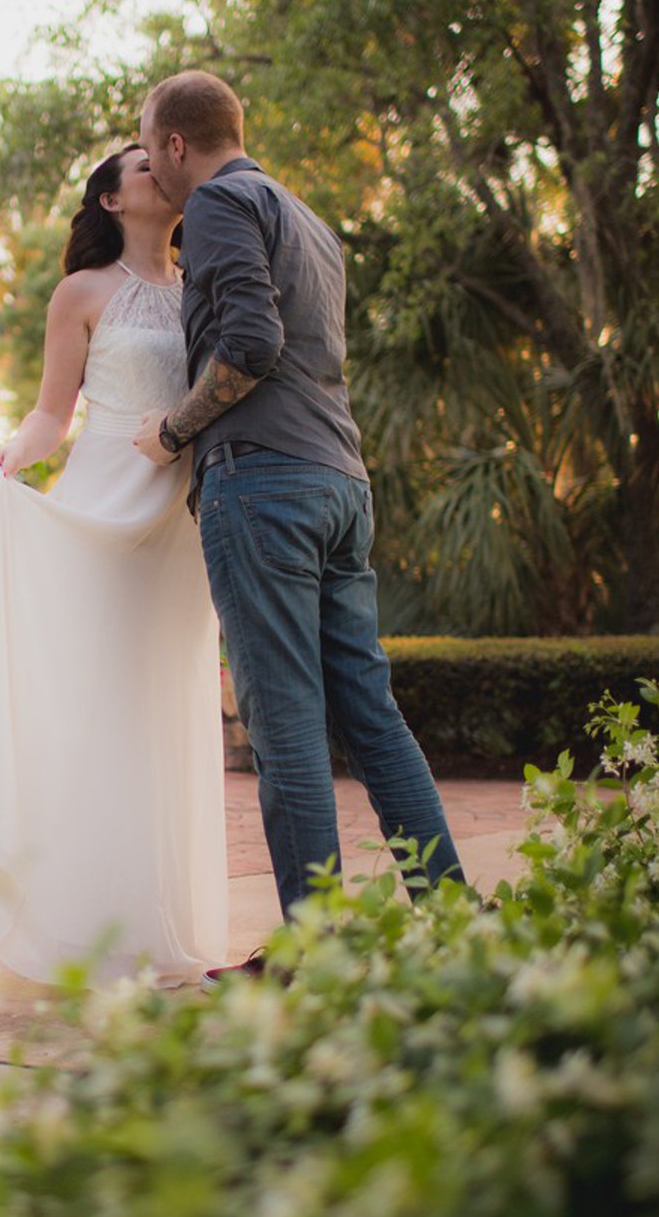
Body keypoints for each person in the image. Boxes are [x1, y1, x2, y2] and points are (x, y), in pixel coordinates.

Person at [133, 71, 463, 940]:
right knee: (371, 714)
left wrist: (173, 430)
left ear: (176, 145)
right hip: (341, 484)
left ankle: (319, 958)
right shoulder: (308, 219)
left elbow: (251, 342)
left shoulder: (214, 204)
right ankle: (455, 921)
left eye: (150, 150)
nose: (153, 174)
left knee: (284, 734)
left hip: (264, 485)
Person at [0, 143, 229, 986]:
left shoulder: (205, 285)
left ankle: (163, 930)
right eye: (143, 165)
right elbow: (52, 415)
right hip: (99, 515)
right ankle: (83, 930)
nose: (160, 170)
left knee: (164, 713)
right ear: (111, 200)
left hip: (176, 528)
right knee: (95, 718)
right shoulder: (81, 293)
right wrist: (6, 460)